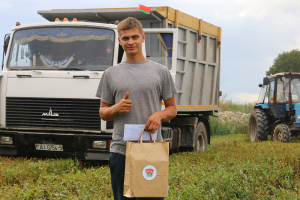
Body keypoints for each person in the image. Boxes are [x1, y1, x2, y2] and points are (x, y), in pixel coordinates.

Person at [96, 17, 177, 200]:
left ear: (143, 38)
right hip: (121, 151)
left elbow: (172, 109)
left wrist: (159, 115)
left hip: (151, 150)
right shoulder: (110, 74)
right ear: (119, 41)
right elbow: (103, 113)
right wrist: (116, 108)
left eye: (134, 37)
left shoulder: (160, 71)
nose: (130, 42)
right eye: (125, 38)